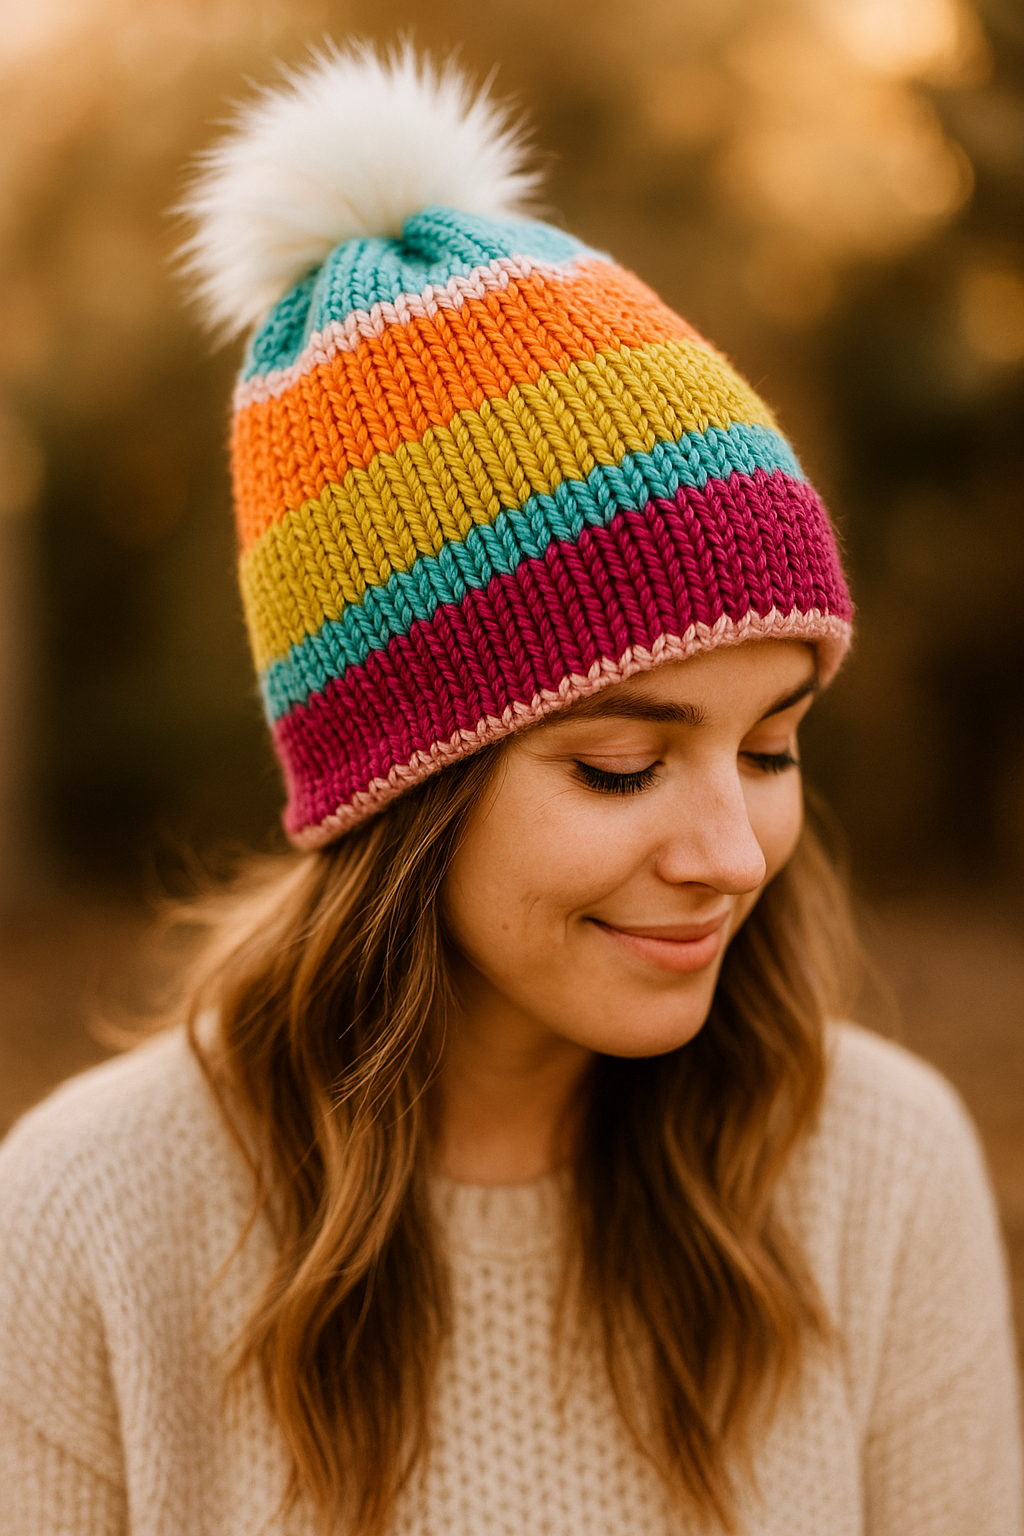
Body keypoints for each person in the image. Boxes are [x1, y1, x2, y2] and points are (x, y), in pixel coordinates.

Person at [0, 40, 1019, 1536]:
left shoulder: (881, 1173)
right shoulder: (85, 1222)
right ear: (399, 788)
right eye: (620, 766)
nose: (734, 854)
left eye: (773, 745)